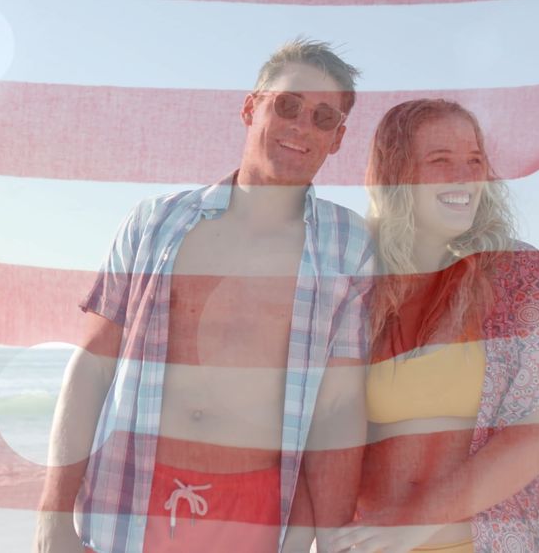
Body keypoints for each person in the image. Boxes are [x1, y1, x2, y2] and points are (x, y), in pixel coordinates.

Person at [34, 39, 372, 553]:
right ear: (250, 106)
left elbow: (338, 413)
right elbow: (90, 369)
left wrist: (328, 540)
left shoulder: (350, 248)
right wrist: (53, 516)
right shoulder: (155, 222)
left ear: (338, 139)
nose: (302, 126)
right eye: (287, 105)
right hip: (128, 501)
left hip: (259, 516)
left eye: (323, 117)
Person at [328, 99, 539, 553]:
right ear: (395, 174)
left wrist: (415, 523)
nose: (464, 176)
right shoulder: (356, 285)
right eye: (440, 160)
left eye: (475, 161)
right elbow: (318, 433)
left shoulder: (518, 276)